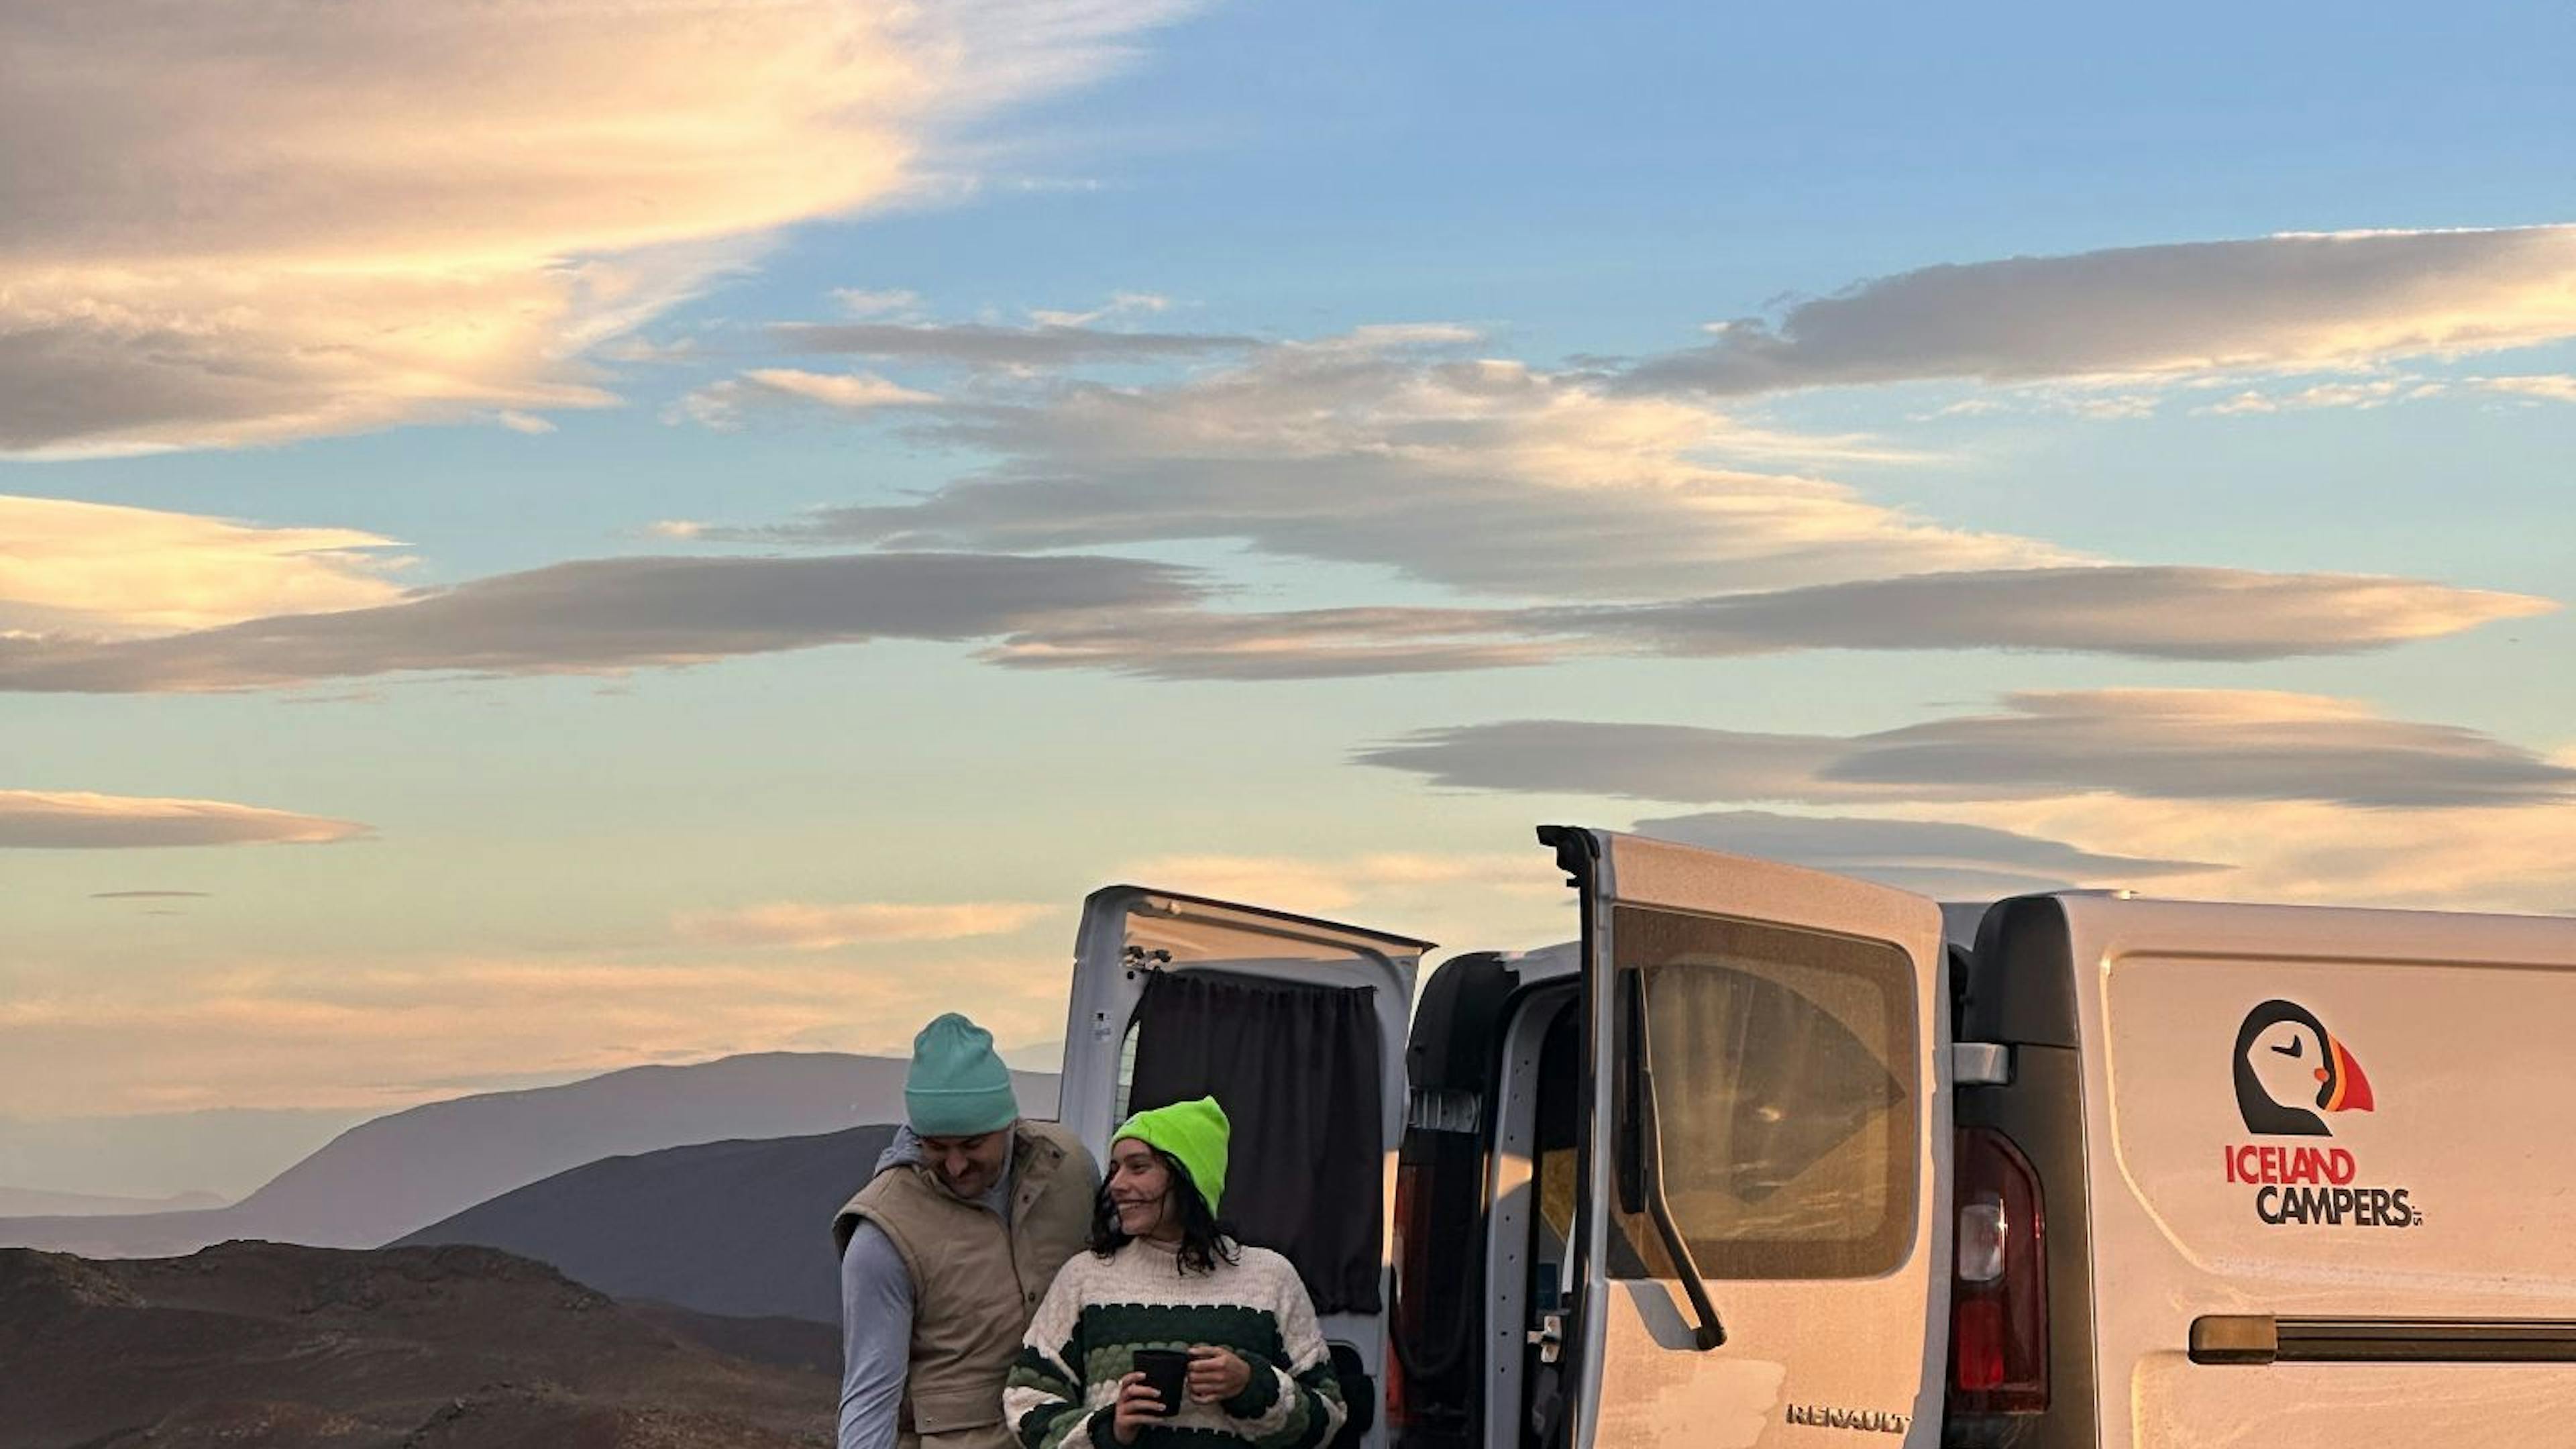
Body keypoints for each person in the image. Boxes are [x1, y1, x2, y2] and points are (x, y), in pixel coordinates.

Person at [1005, 1096, 1346, 1449]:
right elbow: (1026, 1403)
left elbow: (1328, 1419)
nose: (1117, 1184)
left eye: (1138, 1168)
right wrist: (1110, 1429)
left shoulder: (1270, 1278)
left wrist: (1251, 1386)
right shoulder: (1086, 1278)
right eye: (1115, 1168)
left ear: (1190, 1177)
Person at [834, 1014, 1099, 1449]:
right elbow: (869, 1400)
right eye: (936, 1146)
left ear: (1008, 1121)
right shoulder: (882, 1235)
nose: (955, 1164)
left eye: (973, 1144)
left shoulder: (1071, 1169)